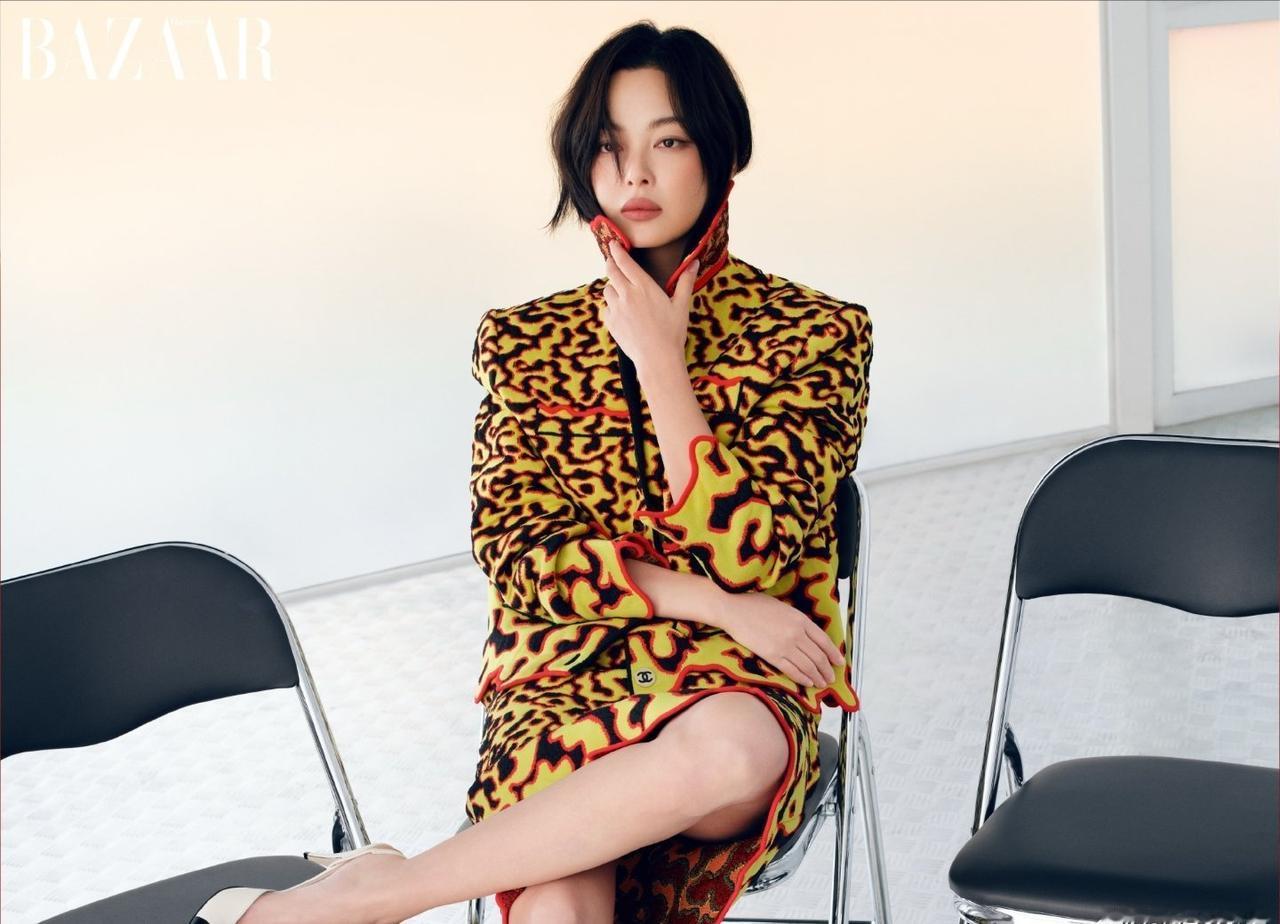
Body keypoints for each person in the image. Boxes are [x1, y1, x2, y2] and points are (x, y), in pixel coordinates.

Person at [190, 18, 872, 924]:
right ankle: (382, 893)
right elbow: (523, 561)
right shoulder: (522, 343)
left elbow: (750, 553)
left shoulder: (814, 334)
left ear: (722, 151)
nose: (635, 175)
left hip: (733, 684)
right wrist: (718, 603)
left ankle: (378, 892)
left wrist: (661, 363)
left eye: (668, 141)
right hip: (561, 687)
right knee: (557, 904)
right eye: (608, 146)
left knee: (734, 751)